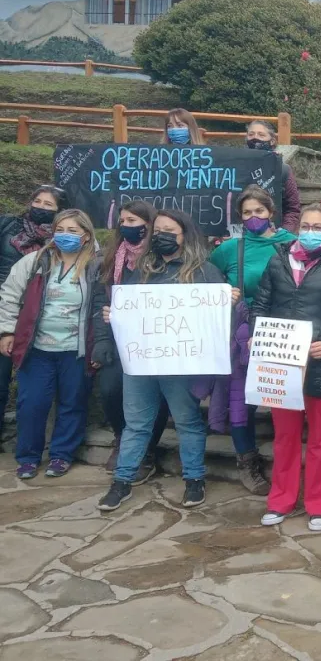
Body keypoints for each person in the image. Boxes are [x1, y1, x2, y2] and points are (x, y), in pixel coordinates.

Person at [97, 210, 227, 511]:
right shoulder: (142, 270)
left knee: (187, 421)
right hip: (141, 363)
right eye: (157, 231)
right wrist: (114, 314)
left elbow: (218, 319)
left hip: (180, 365)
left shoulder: (204, 272)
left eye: (169, 231)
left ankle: (194, 479)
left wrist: (227, 302)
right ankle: (122, 481)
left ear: (184, 235)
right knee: (136, 424)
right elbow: (126, 309)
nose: (161, 236)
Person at [251, 204, 321, 530]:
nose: (310, 231)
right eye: (305, 226)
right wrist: (260, 335)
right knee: (284, 436)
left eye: (318, 227)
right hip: (283, 363)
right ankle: (281, 500)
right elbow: (261, 304)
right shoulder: (278, 260)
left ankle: (319, 504)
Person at [209, 186, 296, 494]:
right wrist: (223, 292)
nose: (253, 217)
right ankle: (247, 461)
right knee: (240, 399)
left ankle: (290, 466)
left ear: (271, 212)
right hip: (243, 333)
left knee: (286, 399)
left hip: (282, 332)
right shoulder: (229, 249)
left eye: (259, 211)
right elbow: (204, 279)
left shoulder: (291, 244)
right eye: (247, 213)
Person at [0, 208, 98, 479]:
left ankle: (61, 455)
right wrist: (6, 331)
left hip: (77, 350)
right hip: (37, 348)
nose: (65, 235)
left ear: (86, 235)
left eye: (72, 231)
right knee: (31, 403)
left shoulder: (95, 266)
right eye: (60, 230)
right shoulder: (35, 261)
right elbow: (9, 295)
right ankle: (28, 457)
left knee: (72, 403)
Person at [91, 201, 167, 481]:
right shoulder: (112, 258)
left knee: (155, 396)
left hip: (155, 339)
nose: (126, 226)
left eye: (133, 221)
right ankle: (122, 438)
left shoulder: (162, 257)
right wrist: (102, 339)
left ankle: (148, 449)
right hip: (118, 339)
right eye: (122, 221)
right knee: (110, 389)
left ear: (149, 224)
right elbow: (100, 299)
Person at [0, 185, 68, 443]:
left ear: (60, 211)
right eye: (37, 201)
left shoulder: (65, 237)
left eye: (48, 204)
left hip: (42, 315)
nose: (40, 207)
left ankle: (43, 442)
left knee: (37, 383)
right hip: (6, 305)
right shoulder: (7, 225)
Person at [245, 120, 302, 232]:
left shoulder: (282, 170)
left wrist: (284, 233)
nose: (255, 138)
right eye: (251, 134)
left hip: (273, 234)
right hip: (240, 235)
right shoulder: (235, 167)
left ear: (272, 141)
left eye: (261, 135)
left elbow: (292, 208)